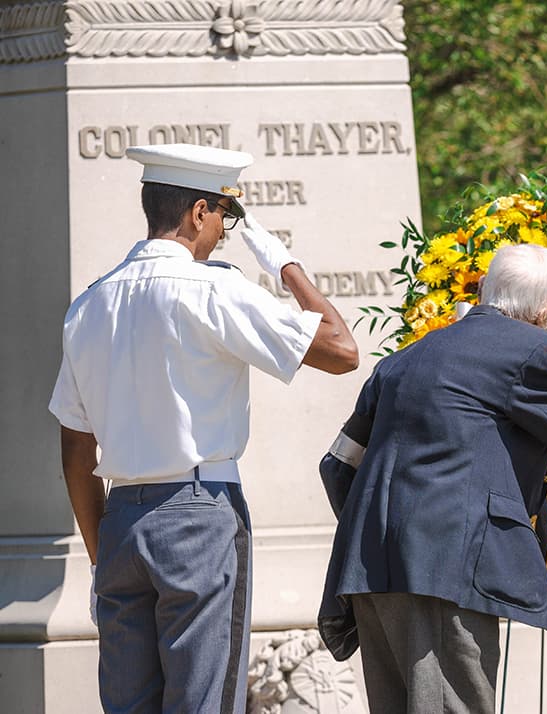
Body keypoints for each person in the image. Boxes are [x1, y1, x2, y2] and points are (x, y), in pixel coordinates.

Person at [48, 143, 360, 713]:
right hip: (198, 513)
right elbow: (341, 350)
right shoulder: (213, 288)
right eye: (225, 216)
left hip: (119, 524)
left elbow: (74, 450)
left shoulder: (88, 305)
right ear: (198, 213)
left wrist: (102, 558)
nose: (223, 231)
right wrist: (287, 268)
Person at [316, 242, 547, 713]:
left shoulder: (400, 361)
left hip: (369, 570)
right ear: (546, 313)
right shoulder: (528, 351)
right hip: (440, 572)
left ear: (483, 289)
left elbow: (338, 465)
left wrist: (387, 535)